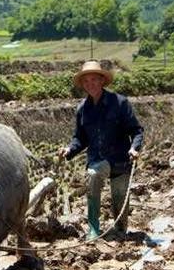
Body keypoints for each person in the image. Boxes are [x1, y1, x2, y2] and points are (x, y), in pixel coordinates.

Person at [58, 60, 144, 240]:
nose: (90, 85)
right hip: (98, 159)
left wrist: (135, 148)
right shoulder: (83, 109)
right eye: (86, 82)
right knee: (93, 177)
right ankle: (93, 229)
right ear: (82, 85)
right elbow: (80, 138)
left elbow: (136, 130)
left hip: (121, 159)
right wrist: (69, 150)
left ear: (102, 81)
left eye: (94, 80)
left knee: (120, 198)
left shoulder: (119, 103)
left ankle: (120, 230)